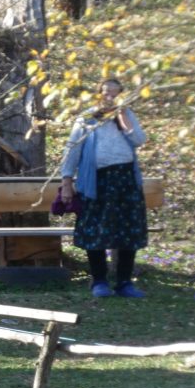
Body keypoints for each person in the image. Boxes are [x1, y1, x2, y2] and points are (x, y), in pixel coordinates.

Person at [60, 78, 148, 298]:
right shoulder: (87, 119)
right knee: (95, 231)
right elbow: (72, 150)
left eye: (115, 94)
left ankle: (124, 283)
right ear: (98, 94)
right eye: (106, 92)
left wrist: (123, 117)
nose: (110, 97)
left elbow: (139, 140)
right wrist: (66, 182)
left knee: (128, 231)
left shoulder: (126, 116)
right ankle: (99, 281)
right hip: (96, 181)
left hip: (126, 180)